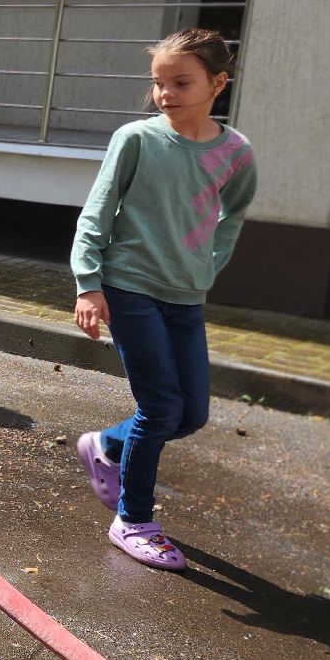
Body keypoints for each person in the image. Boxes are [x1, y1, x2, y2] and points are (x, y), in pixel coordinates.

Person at [71, 28, 257, 571]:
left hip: (185, 293)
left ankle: (106, 444)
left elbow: (234, 214)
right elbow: (97, 212)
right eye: (158, 83)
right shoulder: (136, 140)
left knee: (190, 413)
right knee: (160, 408)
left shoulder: (235, 152)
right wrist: (89, 283)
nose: (166, 93)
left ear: (217, 83)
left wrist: (209, 263)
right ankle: (133, 521)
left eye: (180, 82)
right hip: (130, 285)